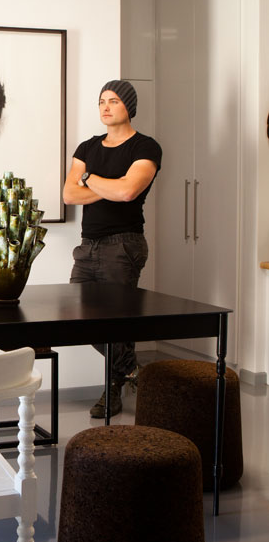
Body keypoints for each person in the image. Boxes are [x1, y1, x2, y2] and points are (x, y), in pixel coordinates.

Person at [63, 79, 162, 418]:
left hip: (123, 244)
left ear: (128, 107)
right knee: (80, 318)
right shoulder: (87, 147)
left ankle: (113, 391)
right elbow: (69, 195)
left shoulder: (145, 147)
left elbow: (128, 192)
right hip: (87, 245)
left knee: (116, 321)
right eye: (102, 101)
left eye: (114, 101)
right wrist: (111, 186)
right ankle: (133, 370)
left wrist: (89, 178)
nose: (106, 107)